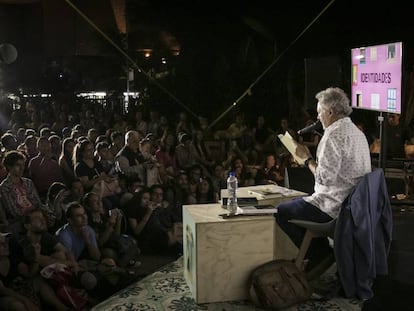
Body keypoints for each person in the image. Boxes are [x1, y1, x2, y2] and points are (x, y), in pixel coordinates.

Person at [275, 87, 372, 270]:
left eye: (319, 112)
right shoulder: (357, 133)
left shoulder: (332, 136)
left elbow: (324, 178)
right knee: (297, 204)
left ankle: (319, 256)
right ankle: (321, 256)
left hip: (333, 207)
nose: (318, 117)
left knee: (281, 212)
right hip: (354, 205)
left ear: (330, 111)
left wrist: (306, 160)